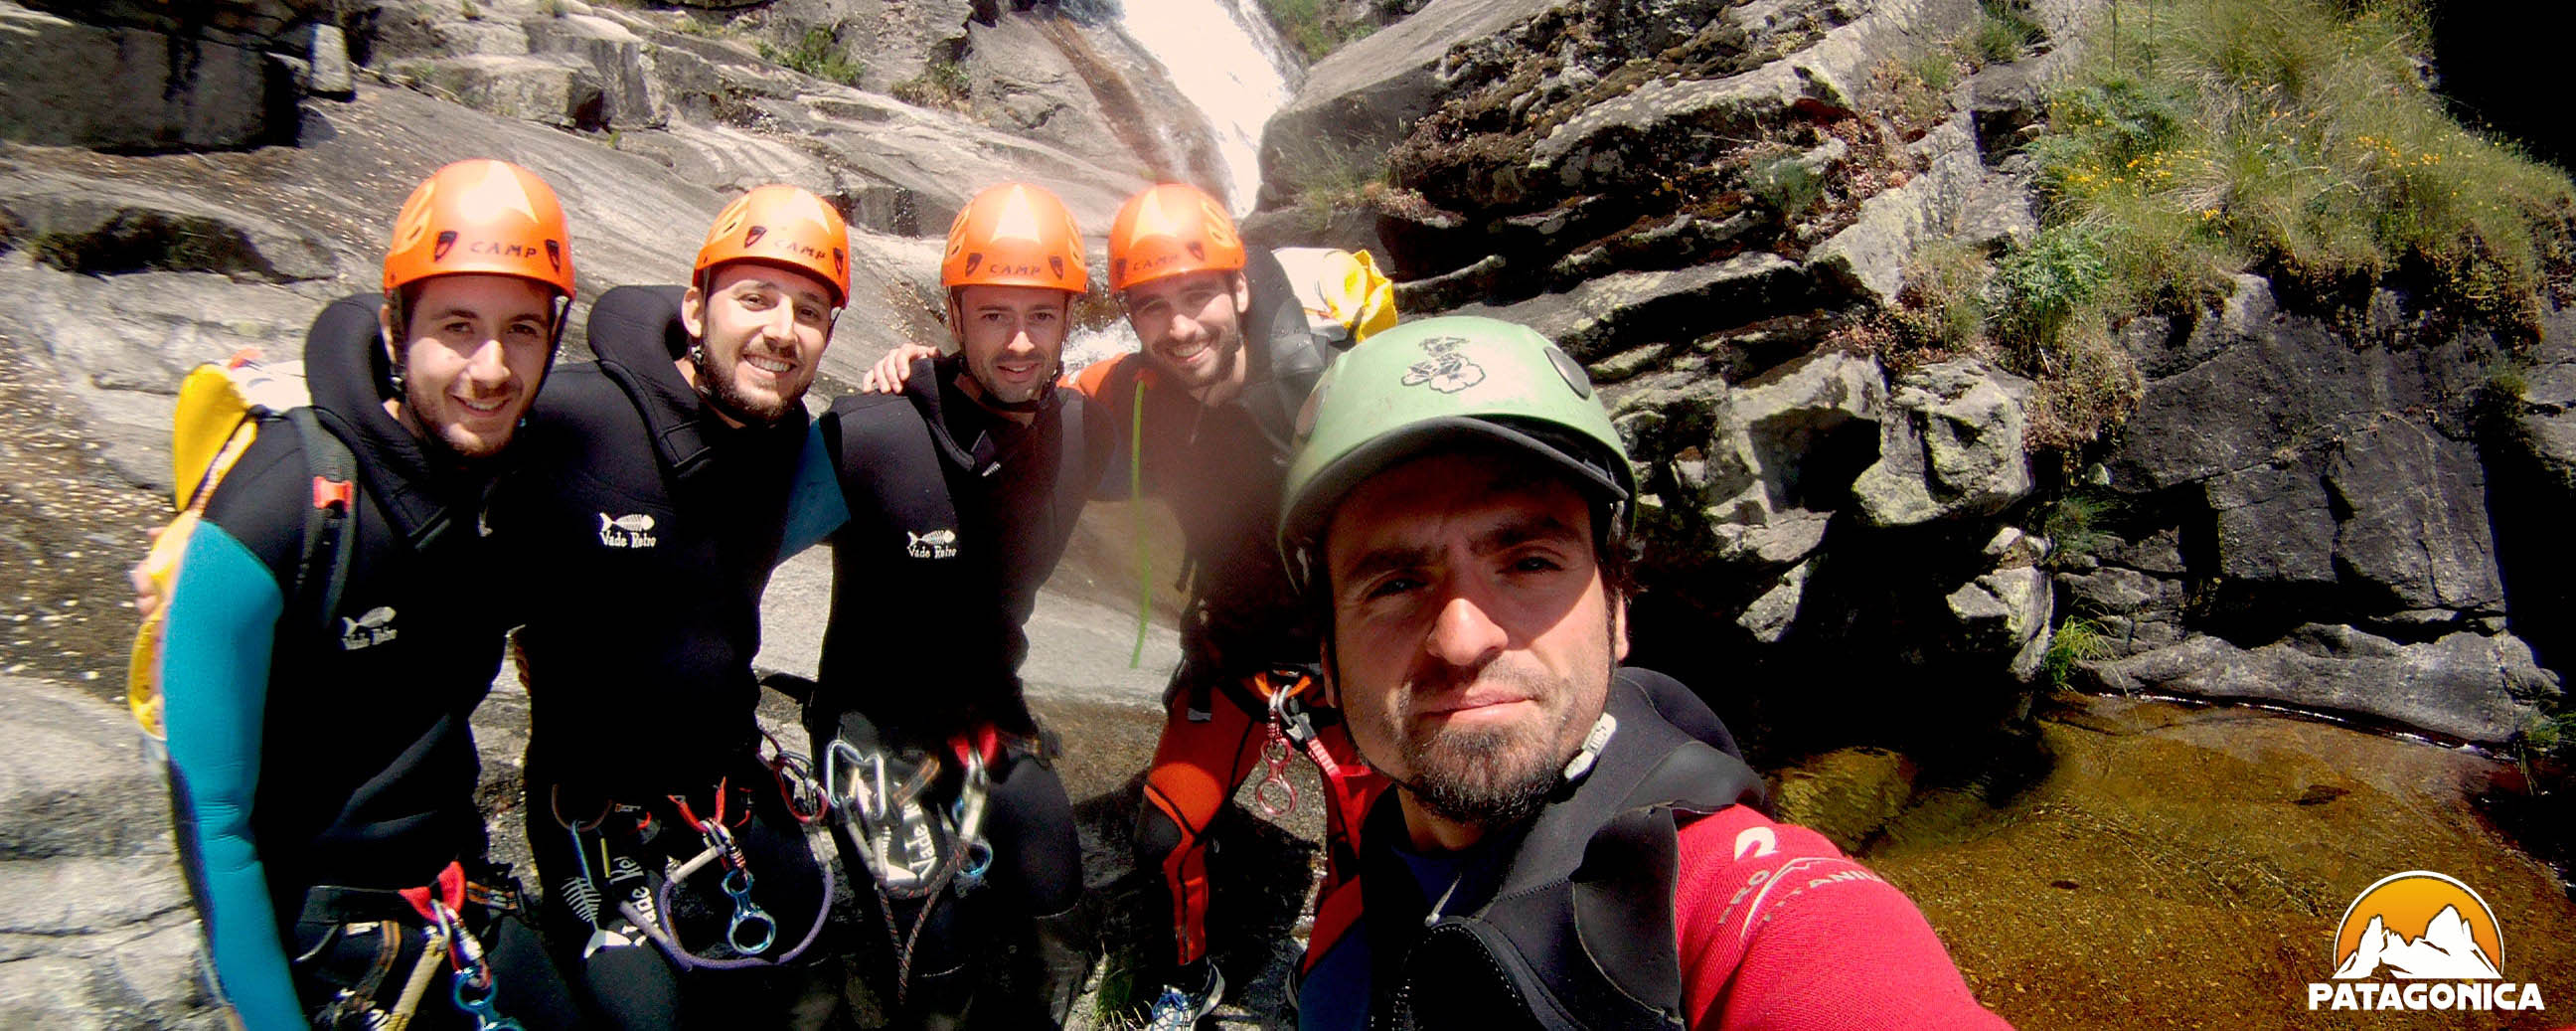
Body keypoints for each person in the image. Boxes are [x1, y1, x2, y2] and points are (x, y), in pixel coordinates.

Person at [1275, 315, 2013, 1029]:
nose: (1462, 637)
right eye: (1395, 584)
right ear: (1328, 661)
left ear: (1618, 612)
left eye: (1530, 561)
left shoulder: (1739, 907)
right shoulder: (1355, 911)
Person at [862, 182, 1397, 1025]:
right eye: (1152, 307)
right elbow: (1025, 383)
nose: (1180, 328)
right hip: (1230, 656)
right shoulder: (1137, 390)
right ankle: (1190, 976)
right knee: (1164, 836)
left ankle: (1340, 985)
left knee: (1369, 848)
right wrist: (920, 369)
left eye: (1197, 298)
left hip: (1339, 666)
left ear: (1241, 289)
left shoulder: (1331, 389)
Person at [153, 158, 586, 1029]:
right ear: (395, 328)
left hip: (458, 901)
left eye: (523, 330)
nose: (492, 367)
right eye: (457, 325)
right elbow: (213, 818)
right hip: (326, 940)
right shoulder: (279, 507)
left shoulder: (509, 481)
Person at [498, 184, 849, 1027]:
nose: (780, 329)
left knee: (816, 989)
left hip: (730, 784)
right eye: (755, 298)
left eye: (809, 310)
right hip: (593, 810)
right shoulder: (574, 418)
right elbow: (423, 438)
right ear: (696, 307)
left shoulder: (788, 438)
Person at [804, 181, 1116, 1027]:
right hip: (874, 731)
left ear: (1069, 319)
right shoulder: (872, 433)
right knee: (933, 971)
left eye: (1042, 316)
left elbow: (1206, 430)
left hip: (990, 715)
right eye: (993, 315)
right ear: (954, 314)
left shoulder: (1081, 431)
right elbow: (733, 528)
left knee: (1061, 927)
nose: (1019, 342)